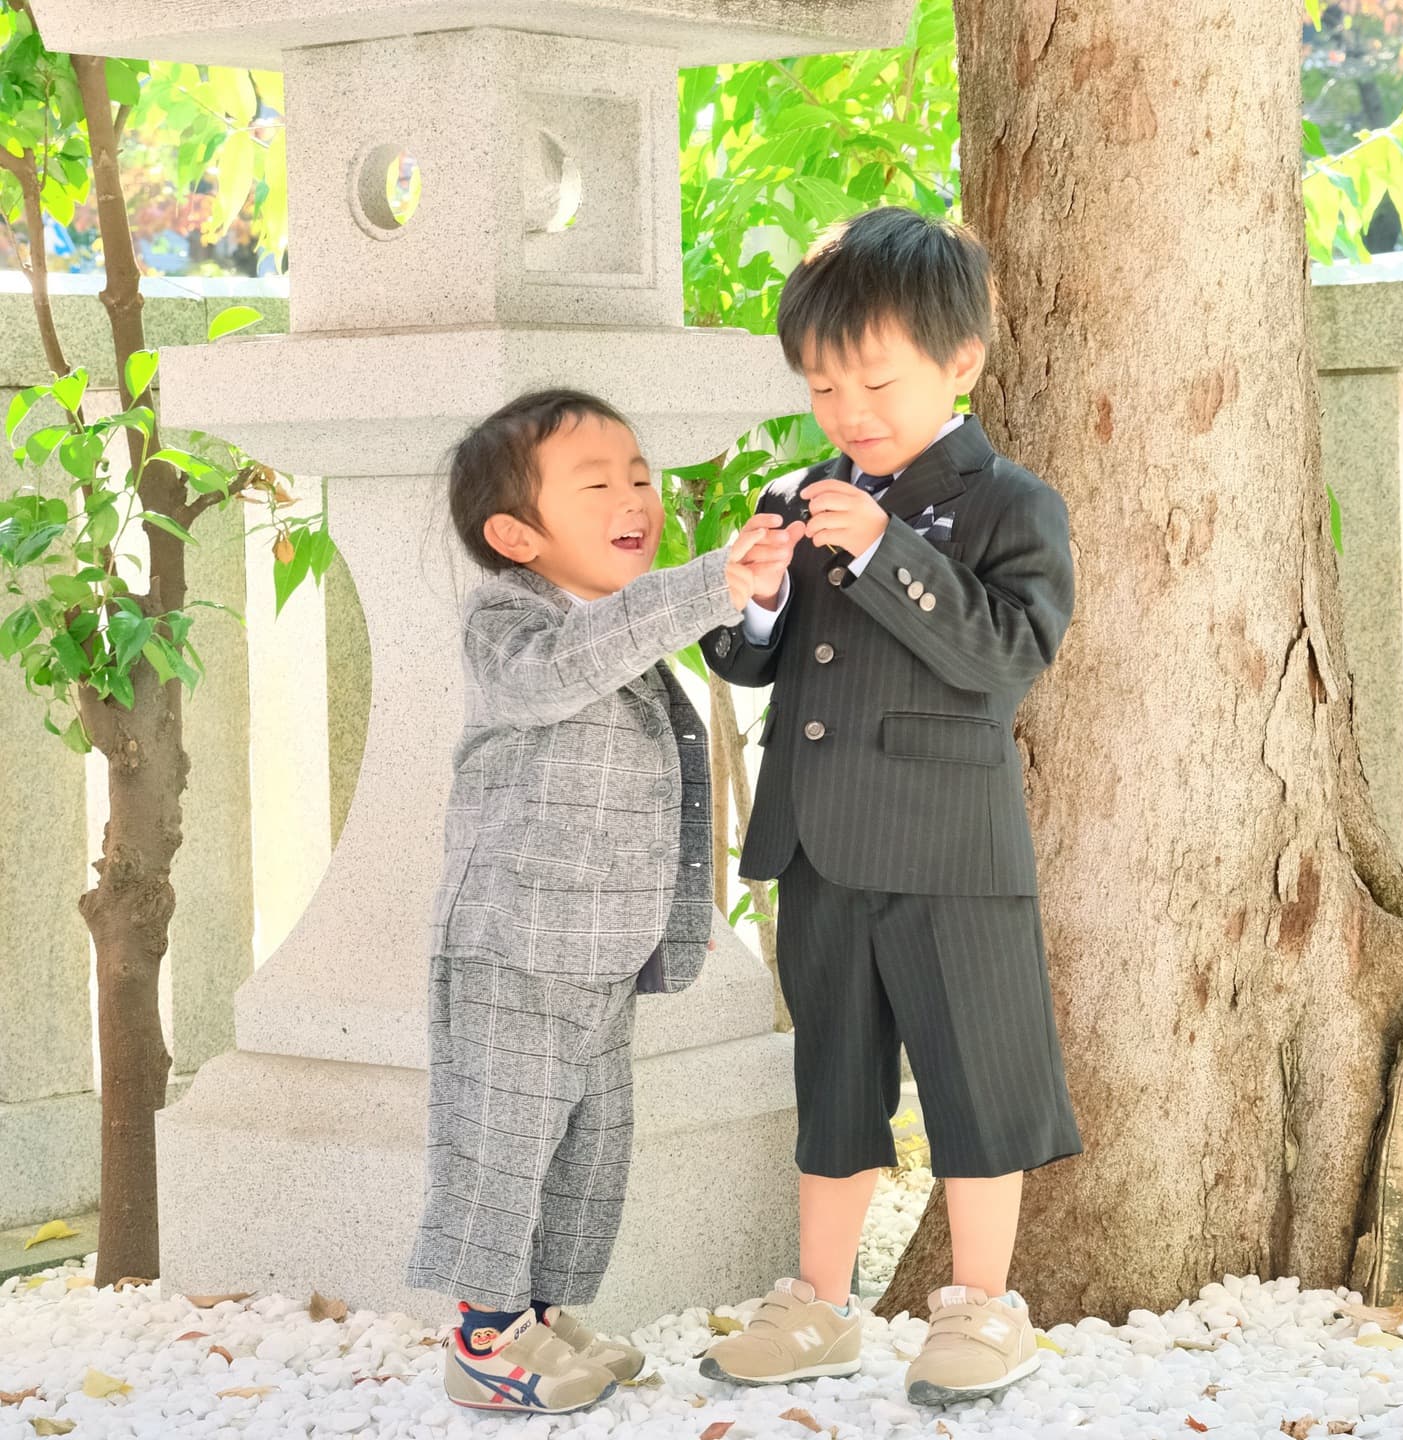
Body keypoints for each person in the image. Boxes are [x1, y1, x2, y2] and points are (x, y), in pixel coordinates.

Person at [700, 206, 1083, 1406]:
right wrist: (756, 596)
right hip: (819, 843)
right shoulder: (800, 494)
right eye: (823, 387)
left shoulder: (1011, 504)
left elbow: (1006, 658)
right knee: (833, 1078)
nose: (848, 411)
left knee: (977, 1079)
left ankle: (982, 1308)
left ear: (960, 361)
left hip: (952, 853)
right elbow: (750, 662)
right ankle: (819, 1303)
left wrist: (885, 555)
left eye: (875, 381)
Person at [405, 388, 800, 1415]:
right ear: (515, 536)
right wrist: (709, 584)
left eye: (639, 476)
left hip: (598, 952)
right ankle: (482, 1338)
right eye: (597, 485)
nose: (635, 498)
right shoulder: (512, 623)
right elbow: (557, 677)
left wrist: (672, 925)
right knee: (502, 1139)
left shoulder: (617, 630)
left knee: (586, 1149)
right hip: (514, 942)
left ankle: (539, 1313)